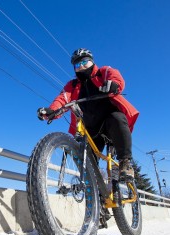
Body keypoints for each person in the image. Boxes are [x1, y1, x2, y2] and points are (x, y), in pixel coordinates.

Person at [37, 48, 139, 180]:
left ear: (92, 61)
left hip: (109, 121)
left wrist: (114, 85)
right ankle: (97, 191)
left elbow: (115, 76)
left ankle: (125, 163)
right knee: (87, 162)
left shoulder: (103, 72)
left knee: (117, 118)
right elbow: (63, 99)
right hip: (91, 129)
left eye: (85, 62)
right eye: (77, 65)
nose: (81, 66)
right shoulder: (72, 85)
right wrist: (52, 111)